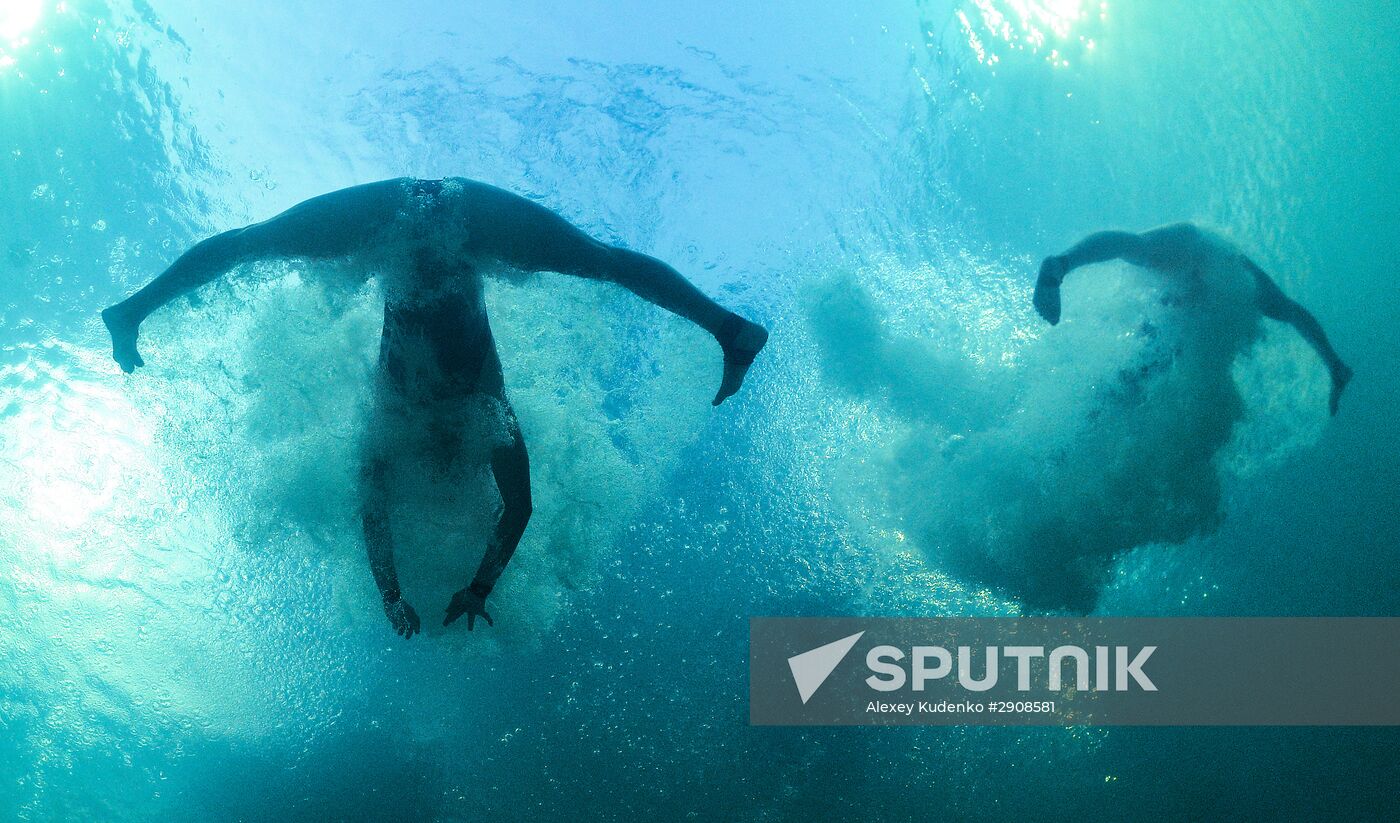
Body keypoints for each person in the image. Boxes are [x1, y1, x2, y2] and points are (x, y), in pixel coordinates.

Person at [102, 177, 768, 638]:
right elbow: (519, 507)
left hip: (397, 220)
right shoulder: (490, 420)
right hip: (460, 220)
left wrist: (392, 592)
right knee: (595, 260)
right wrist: (477, 588)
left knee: (259, 241)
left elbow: (375, 510)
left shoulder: (387, 434)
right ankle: (729, 329)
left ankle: (132, 310)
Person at [1032, 222, 1352, 414]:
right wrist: (1333, 363)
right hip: (1208, 262)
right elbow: (1294, 314)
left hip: (1205, 270)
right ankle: (1061, 264)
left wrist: (1335, 365)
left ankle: (1063, 264)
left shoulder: (1227, 283)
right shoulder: (1237, 278)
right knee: (1146, 363)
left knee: (1144, 367)